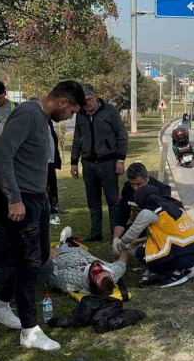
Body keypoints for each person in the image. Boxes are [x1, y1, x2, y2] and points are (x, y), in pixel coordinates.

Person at [0, 80, 84, 351]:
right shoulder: (28, 114)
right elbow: (1, 156)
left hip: (35, 197)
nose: (70, 117)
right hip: (19, 199)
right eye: (72, 112)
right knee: (30, 262)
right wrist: (15, 199)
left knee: (41, 258)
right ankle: (29, 330)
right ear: (62, 102)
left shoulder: (42, 119)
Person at [70, 84, 129, 242]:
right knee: (93, 201)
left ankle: (115, 234)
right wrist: (74, 161)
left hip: (108, 163)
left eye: (89, 100)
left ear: (96, 96)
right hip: (88, 164)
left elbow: (122, 136)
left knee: (113, 201)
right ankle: (95, 233)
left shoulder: (110, 111)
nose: (86, 104)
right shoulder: (81, 114)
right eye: (83, 101)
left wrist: (121, 160)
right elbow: (77, 138)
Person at [118, 185, 194, 288]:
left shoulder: (148, 212)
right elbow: (168, 234)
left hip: (185, 256)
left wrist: (120, 243)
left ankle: (173, 275)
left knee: (142, 253)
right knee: (150, 246)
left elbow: (132, 233)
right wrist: (139, 241)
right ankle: (179, 268)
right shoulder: (173, 205)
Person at [49, 232, 129, 296]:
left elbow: (50, 271)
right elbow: (121, 264)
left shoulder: (68, 278)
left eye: (96, 272)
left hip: (60, 253)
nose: (99, 266)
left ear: (88, 281)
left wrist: (51, 256)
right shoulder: (112, 273)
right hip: (79, 250)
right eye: (104, 270)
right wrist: (126, 246)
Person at [112, 163, 171, 244]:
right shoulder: (127, 187)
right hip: (139, 226)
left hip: (158, 227)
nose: (135, 188)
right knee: (121, 236)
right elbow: (122, 214)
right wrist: (116, 238)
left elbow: (166, 220)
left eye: (139, 184)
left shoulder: (162, 190)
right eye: (132, 184)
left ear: (147, 177)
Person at [47, 125, 64, 214]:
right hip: (42, 161)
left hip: (51, 160)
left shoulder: (48, 123)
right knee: (44, 187)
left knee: (52, 184)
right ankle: (47, 208)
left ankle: (54, 206)